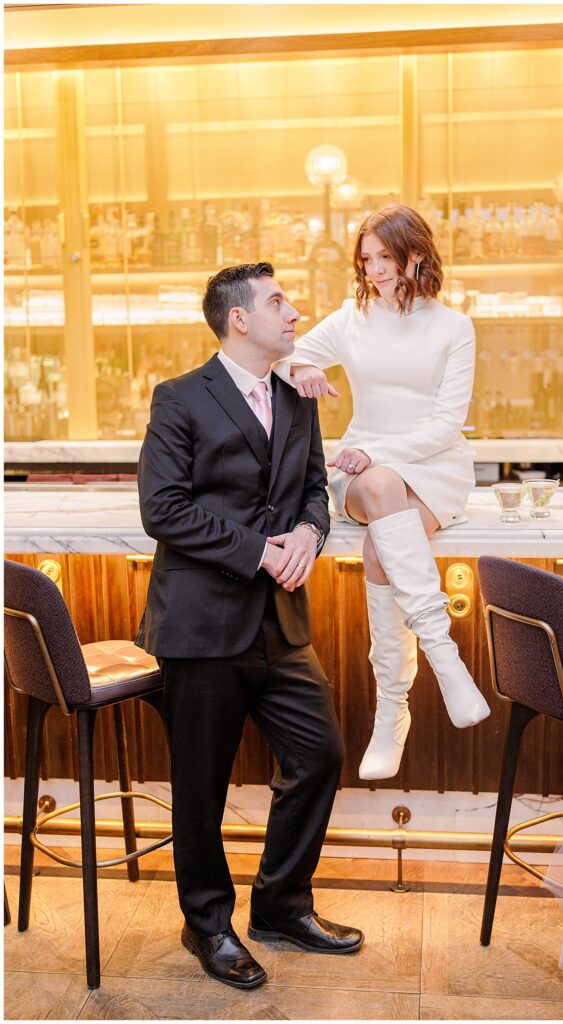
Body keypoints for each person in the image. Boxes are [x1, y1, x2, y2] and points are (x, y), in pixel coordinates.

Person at [136, 263, 363, 991]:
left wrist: (307, 532)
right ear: (239, 319)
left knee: (320, 754)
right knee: (200, 783)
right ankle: (207, 924)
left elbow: (315, 490)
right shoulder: (179, 398)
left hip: (280, 623)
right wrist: (257, 551)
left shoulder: (298, 396)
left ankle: (280, 905)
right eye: (277, 302)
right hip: (201, 621)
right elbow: (162, 509)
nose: (293, 312)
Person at [272, 204, 490, 781]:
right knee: (378, 485)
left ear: (415, 254)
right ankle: (445, 661)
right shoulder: (351, 318)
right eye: (365, 260)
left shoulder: (454, 327)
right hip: (361, 470)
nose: (374, 270)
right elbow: (278, 357)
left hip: (434, 467)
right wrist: (302, 371)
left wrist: (381, 453)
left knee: (379, 550)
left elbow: (447, 424)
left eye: (384, 258)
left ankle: (393, 707)